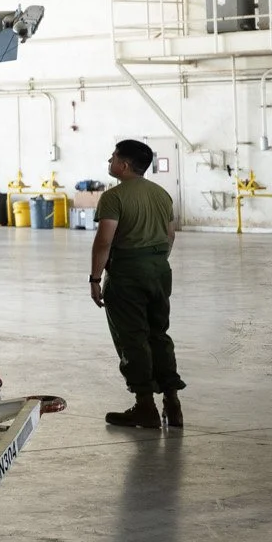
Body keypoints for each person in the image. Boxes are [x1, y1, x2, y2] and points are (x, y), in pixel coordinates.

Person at [91, 138, 181, 430]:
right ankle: (172, 403)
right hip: (158, 270)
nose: (110, 161)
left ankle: (145, 407)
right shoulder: (162, 194)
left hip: (128, 273)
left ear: (124, 165)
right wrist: (155, 261)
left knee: (133, 338)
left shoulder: (113, 197)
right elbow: (170, 237)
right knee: (159, 334)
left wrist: (95, 278)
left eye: (113, 157)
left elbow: (104, 240)